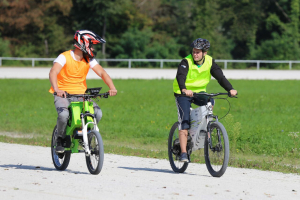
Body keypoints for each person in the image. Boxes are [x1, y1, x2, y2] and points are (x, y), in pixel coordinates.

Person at [49, 30, 117, 153]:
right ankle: (60, 138)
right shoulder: (64, 57)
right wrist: (57, 89)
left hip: (81, 95)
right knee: (64, 115)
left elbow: (102, 73)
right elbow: (53, 72)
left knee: (97, 114)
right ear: (83, 44)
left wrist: (112, 87)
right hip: (63, 94)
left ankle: (85, 135)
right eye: (91, 45)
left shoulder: (88, 59)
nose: (92, 48)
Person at [173, 38, 237, 162]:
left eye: (198, 52)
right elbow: (180, 76)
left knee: (210, 102)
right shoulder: (186, 61)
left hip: (199, 93)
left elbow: (220, 77)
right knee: (184, 122)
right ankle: (184, 153)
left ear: (204, 53)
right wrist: (184, 89)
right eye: (194, 51)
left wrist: (230, 89)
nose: (195, 54)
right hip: (183, 93)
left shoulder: (210, 61)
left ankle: (204, 127)